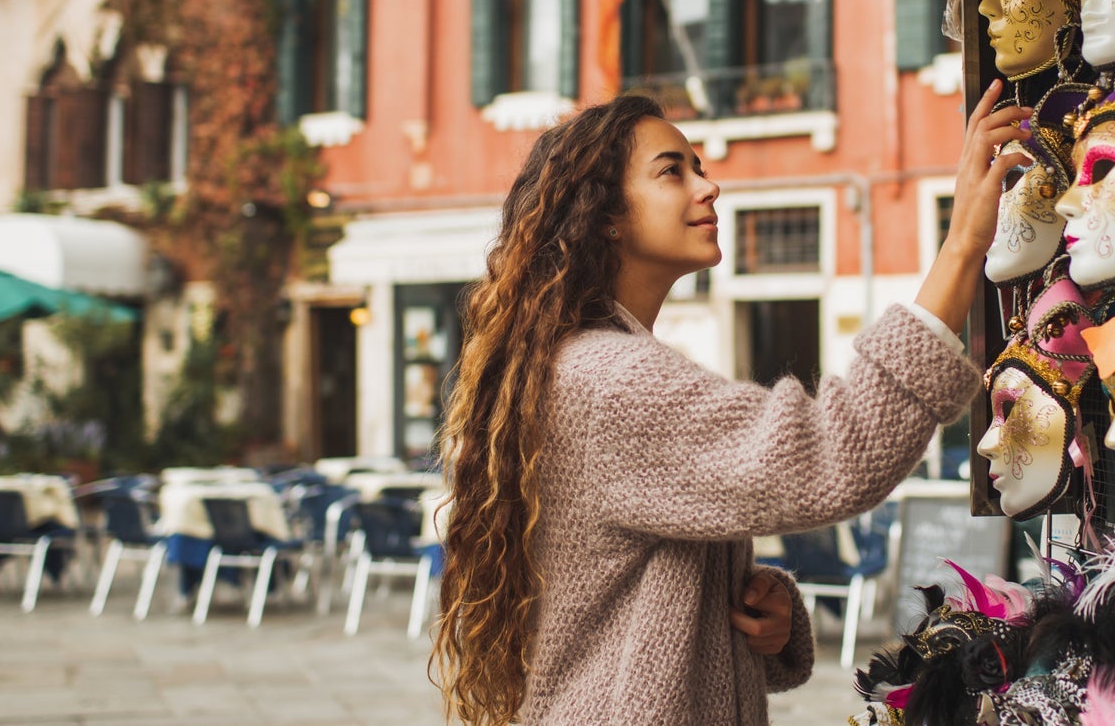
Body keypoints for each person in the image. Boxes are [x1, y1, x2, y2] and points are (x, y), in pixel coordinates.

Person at [432, 80, 1031, 726]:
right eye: (672, 171)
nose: (707, 186)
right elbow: (832, 451)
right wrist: (964, 241)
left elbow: (625, 589)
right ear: (605, 215)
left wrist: (760, 606)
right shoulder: (611, 380)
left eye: (701, 168)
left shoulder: (585, 363)